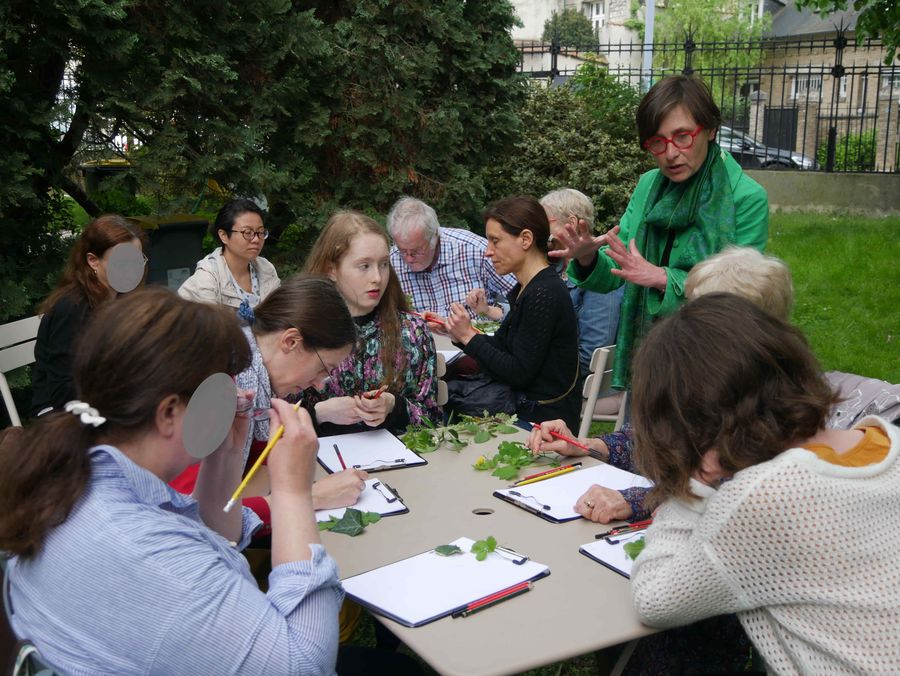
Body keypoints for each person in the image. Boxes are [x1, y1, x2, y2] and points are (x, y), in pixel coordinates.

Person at [2, 288, 343, 674]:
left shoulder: (72, 476)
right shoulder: (150, 556)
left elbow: (215, 539)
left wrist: (225, 457)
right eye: (221, 389)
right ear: (168, 412)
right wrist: (293, 493)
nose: (234, 396)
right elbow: (305, 666)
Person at [629, 293, 900, 674]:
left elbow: (655, 601)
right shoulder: (885, 440)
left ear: (691, 424)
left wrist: (689, 488)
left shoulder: (767, 496)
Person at [528, 246, 794, 524]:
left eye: (705, 316)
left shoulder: (774, 399)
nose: (690, 323)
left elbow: (724, 496)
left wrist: (634, 500)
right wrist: (587, 446)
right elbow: (658, 440)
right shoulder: (702, 372)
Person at [552, 75, 768, 392]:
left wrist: (663, 278)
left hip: (716, 362)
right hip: (649, 357)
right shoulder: (648, 185)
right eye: (657, 142)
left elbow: (744, 293)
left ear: (710, 129)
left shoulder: (746, 198)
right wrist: (586, 257)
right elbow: (618, 274)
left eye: (682, 137)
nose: (669, 153)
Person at [171, 275, 369, 532]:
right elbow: (191, 518)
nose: (320, 384)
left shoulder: (253, 380)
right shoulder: (220, 383)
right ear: (291, 341)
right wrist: (310, 497)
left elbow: (252, 475)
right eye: (322, 368)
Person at [445, 196, 581, 429]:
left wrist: (469, 337)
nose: (488, 252)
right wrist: (461, 334)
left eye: (495, 241)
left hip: (544, 423)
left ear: (526, 239)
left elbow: (518, 372)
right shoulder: (528, 287)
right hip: (526, 411)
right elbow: (504, 347)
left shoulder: (543, 293)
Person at [303, 211, 441, 436]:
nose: (377, 277)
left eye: (384, 264)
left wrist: (393, 406)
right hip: (322, 464)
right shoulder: (304, 332)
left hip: (401, 462)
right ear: (331, 270)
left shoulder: (413, 332)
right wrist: (320, 413)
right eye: (364, 266)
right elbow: (269, 424)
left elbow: (432, 420)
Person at [30, 214, 147, 417]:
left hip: (108, 403)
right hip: (62, 415)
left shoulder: (124, 298)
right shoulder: (71, 308)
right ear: (93, 261)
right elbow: (63, 391)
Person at [387, 196, 515, 321]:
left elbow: (521, 300)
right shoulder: (391, 263)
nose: (408, 259)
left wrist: (488, 311)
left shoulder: (474, 251)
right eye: (402, 251)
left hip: (476, 339)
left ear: (434, 237)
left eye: (416, 251)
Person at [540, 188, 625, 377]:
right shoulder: (557, 266)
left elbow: (593, 356)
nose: (538, 228)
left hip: (581, 386)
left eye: (544, 222)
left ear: (571, 223)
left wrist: (535, 368)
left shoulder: (601, 274)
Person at [178, 197, 280, 320]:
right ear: (224, 235)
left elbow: (279, 316)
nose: (256, 239)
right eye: (247, 233)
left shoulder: (266, 269)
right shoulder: (207, 280)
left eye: (260, 232)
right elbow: (212, 333)